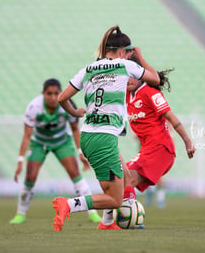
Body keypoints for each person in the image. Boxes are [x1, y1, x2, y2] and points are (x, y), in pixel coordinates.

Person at [52, 25, 160, 231]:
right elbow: (155, 79)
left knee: (126, 175)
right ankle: (68, 204)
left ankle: (107, 223)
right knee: (115, 199)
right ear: (122, 52)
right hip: (103, 137)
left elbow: (62, 98)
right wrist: (141, 57)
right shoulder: (125, 66)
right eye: (129, 54)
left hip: (89, 134)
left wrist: (75, 113)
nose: (130, 58)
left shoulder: (88, 69)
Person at [10, 78, 101, 224]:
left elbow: (75, 130)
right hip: (39, 143)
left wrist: (80, 152)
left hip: (62, 142)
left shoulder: (67, 105)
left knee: (75, 174)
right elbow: (27, 136)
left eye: (56, 93)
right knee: (30, 177)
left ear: (60, 93)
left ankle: (93, 214)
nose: (53, 97)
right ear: (43, 94)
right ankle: (20, 214)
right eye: (49, 93)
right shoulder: (34, 107)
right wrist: (20, 161)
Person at [123, 53, 195, 204]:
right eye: (125, 75)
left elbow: (171, 117)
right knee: (119, 179)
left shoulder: (150, 92)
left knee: (124, 177)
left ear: (140, 75)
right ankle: (123, 218)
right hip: (148, 148)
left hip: (160, 148)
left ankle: (126, 216)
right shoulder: (127, 95)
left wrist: (187, 141)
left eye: (132, 75)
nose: (128, 79)